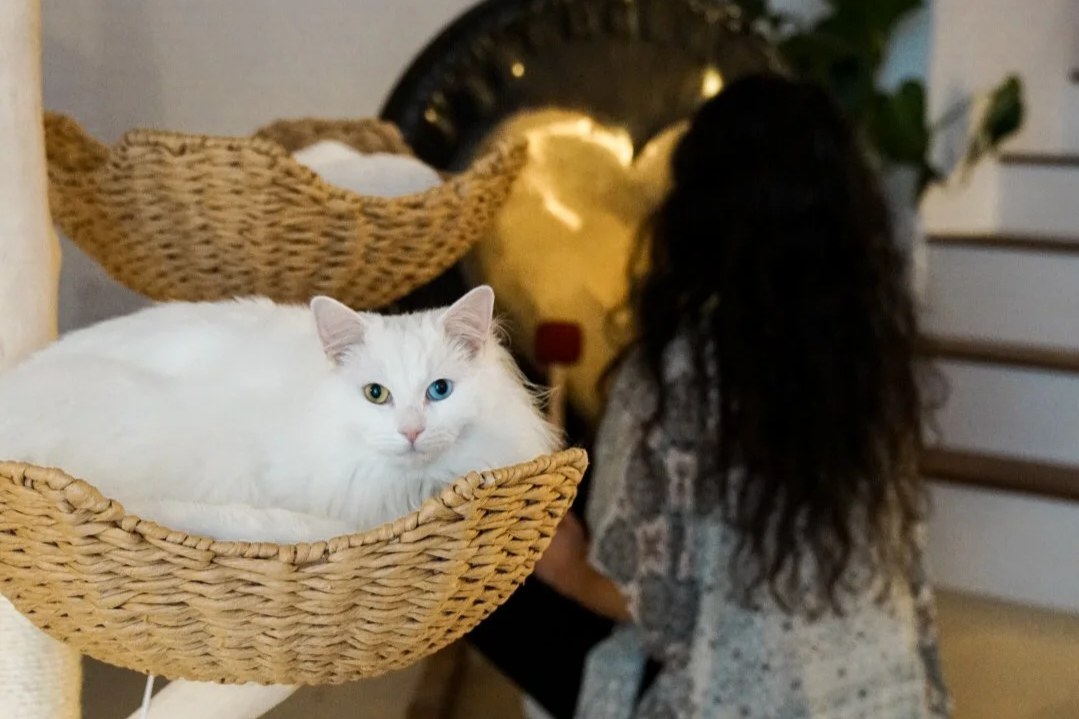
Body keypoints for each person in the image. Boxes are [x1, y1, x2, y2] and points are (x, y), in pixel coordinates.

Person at [533, 73, 951, 719]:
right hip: (885, 693)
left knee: (525, 600)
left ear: (697, 204)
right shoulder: (868, 358)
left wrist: (562, 567)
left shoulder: (675, 367)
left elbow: (653, 609)